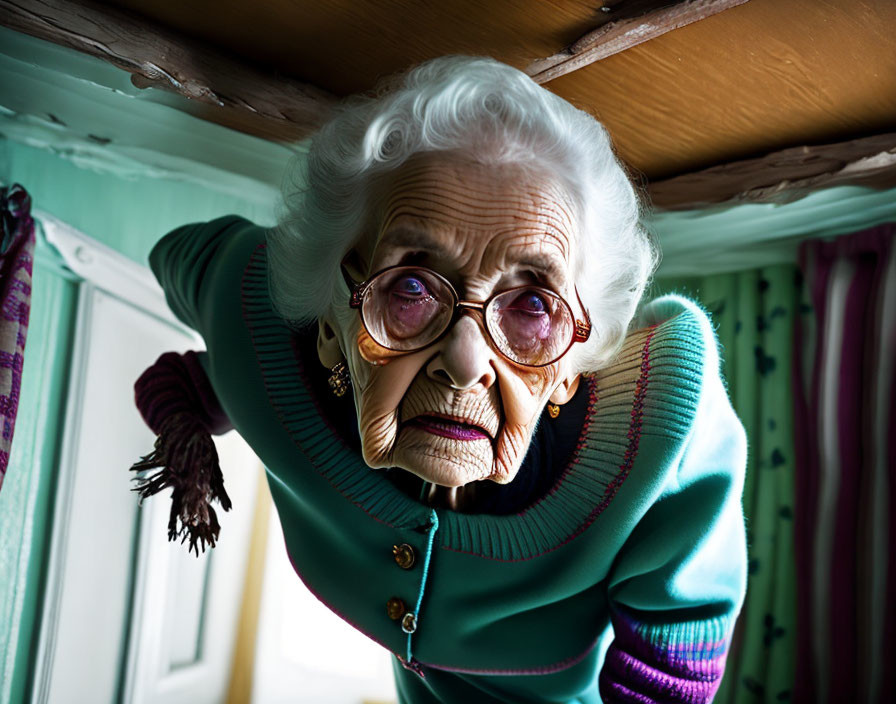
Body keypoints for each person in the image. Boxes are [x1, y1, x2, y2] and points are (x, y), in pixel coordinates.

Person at [132, 56, 747, 703]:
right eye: (411, 288)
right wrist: (185, 417)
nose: (464, 361)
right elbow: (185, 279)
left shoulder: (660, 439)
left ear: (569, 371)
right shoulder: (253, 320)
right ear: (327, 323)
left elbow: (673, 675)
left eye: (533, 304)